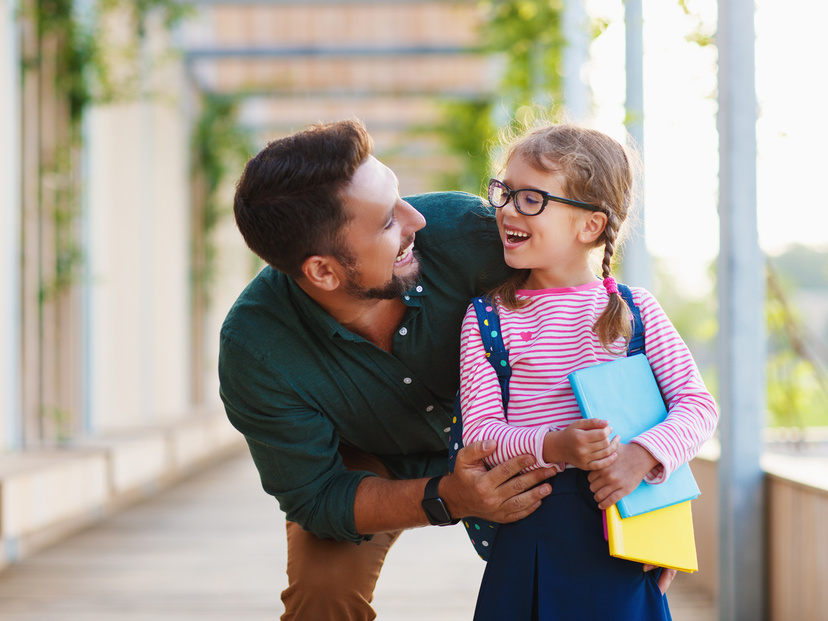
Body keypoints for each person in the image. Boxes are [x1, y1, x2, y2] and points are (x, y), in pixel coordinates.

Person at [218, 119, 560, 621]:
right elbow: (316, 497)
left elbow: (599, 330)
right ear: (323, 271)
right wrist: (447, 496)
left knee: (590, 565)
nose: (414, 220)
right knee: (323, 592)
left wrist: (653, 511)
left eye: (400, 196)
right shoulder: (255, 350)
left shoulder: (467, 234)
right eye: (386, 223)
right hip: (366, 459)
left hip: (516, 436)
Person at [459, 122, 718, 620]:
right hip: (530, 533)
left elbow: (698, 405)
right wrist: (556, 447)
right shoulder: (488, 318)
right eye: (505, 193)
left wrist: (641, 457)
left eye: (531, 198)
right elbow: (482, 433)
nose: (509, 209)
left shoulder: (636, 311)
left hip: (625, 534)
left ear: (590, 226)